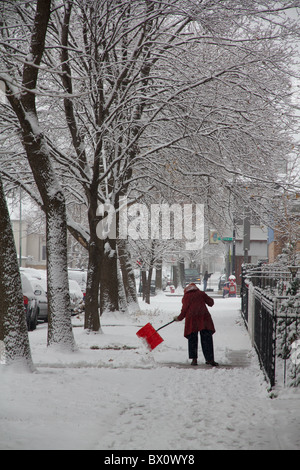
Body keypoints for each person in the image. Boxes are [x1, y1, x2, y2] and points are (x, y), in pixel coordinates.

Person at [174, 283, 218, 366]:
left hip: (192, 319)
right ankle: (210, 359)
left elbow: (184, 310)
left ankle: (194, 360)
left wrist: (178, 318)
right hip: (204, 318)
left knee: (192, 338)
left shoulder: (186, 296)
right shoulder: (201, 293)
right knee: (206, 339)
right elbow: (211, 303)